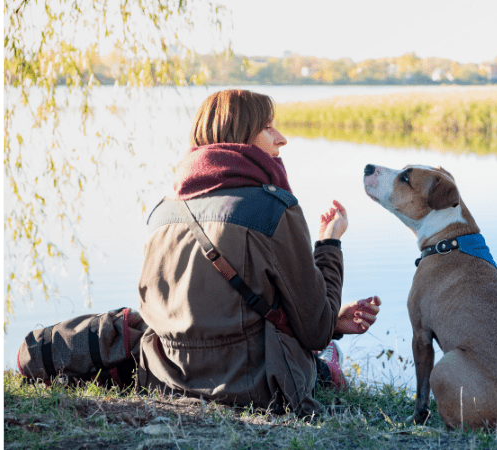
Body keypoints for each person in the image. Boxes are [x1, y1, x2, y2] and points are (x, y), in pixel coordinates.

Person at [136, 89, 381, 416]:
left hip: (166, 381)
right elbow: (317, 331)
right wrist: (329, 244)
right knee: (325, 350)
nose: (282, 139)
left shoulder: (163, 212)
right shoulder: (272, 209)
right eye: (268, 128)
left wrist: (333, 321)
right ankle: (328, 372)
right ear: (238, 137)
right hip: (255, 389)